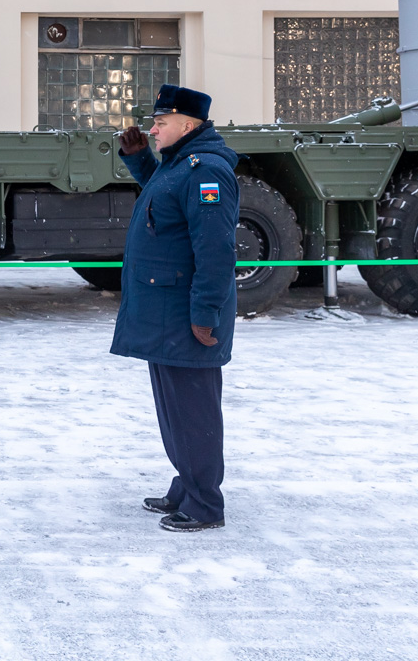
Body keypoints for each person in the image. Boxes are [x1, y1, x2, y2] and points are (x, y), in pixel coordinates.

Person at [111, 84, 240, 532]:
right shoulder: (180, 165)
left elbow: (216, 251)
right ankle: (187, 486)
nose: (153, 128)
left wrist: (205, 314)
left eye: (160, 123)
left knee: (194, 412)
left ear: (188, 124)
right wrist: (140, 159)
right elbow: (167, 202)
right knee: (174, 409)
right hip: (167, 313)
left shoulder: (207, 172)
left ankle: (205, 504)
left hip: (186, 316)